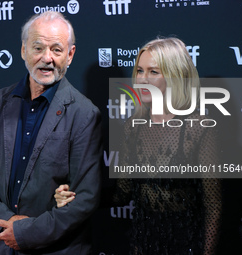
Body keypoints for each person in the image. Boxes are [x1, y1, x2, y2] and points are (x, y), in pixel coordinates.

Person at [55, 37, 222, 255]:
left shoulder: (199, 128)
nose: (142, 79)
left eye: (153, 72)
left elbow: (213, 206)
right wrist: (78, 196)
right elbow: (123, 193)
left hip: (186, 246)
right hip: (142, 245)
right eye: (140, 71)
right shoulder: (133, 127)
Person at [0, 11, 103, 255]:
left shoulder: (85, 114)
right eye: (38, 48)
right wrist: (10, 225)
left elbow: (84, 199)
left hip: (57, 249)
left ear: (70, 55)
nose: (46, 58)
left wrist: (26, 232)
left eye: (57, 50)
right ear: (23, 51)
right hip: (2, 245)